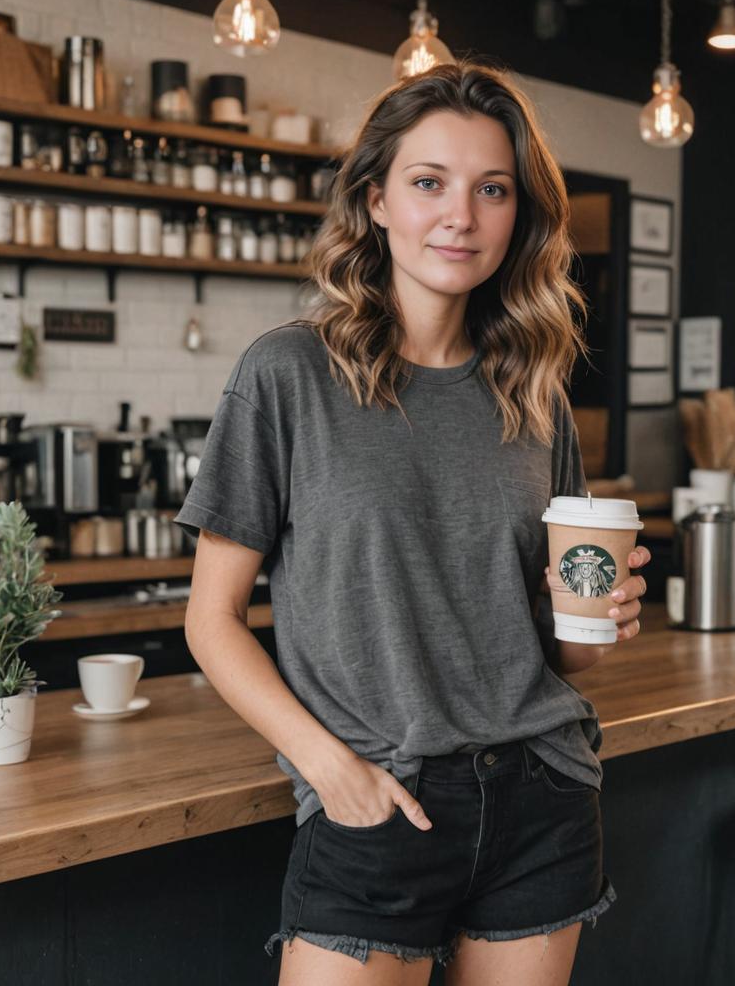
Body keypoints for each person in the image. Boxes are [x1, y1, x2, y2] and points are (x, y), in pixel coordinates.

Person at [176, 60, 651, 986]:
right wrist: (329, 769)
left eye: (492, 190)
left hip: (540, 800)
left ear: (520, 216)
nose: (460, 216)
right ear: (377, 200)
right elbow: (211, 617)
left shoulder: (534, 395)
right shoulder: (287, 374)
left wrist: (599, 622)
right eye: (429, 182)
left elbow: (557, 651)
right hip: (376, 798)